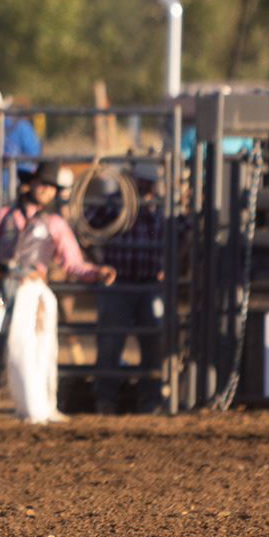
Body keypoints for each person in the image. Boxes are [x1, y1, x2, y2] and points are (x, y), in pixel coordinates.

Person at [0, 162, 116, 423]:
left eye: (50, 187)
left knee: (30, 351)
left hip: (31, 291)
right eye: (42, 184)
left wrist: (96, 271)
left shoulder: (55, 224)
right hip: (1, 288)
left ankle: (30, 405)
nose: (46, 190)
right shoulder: (2, 216)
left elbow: (73, 263)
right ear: (31, 184)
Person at [92, 161, 173, 415]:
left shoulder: (159, 206)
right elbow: (87, 226)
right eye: (143, 181)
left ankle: (150, 400)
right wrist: (97, 262)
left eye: (150, 182)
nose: (147, 187)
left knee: (152, 344)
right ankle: (106, 399)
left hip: (148, 282)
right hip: (119, 282)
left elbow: (183, 235)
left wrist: (170, 264)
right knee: (110, 344)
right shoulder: (115, 203)